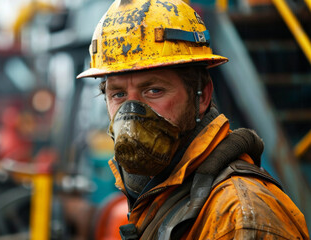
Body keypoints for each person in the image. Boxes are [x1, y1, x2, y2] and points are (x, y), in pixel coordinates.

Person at [77, 0, 310, 239]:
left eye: (154, 90)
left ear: (202, 96)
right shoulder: (159, 192)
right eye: (118, 94)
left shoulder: (239, 218)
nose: (131, 112)